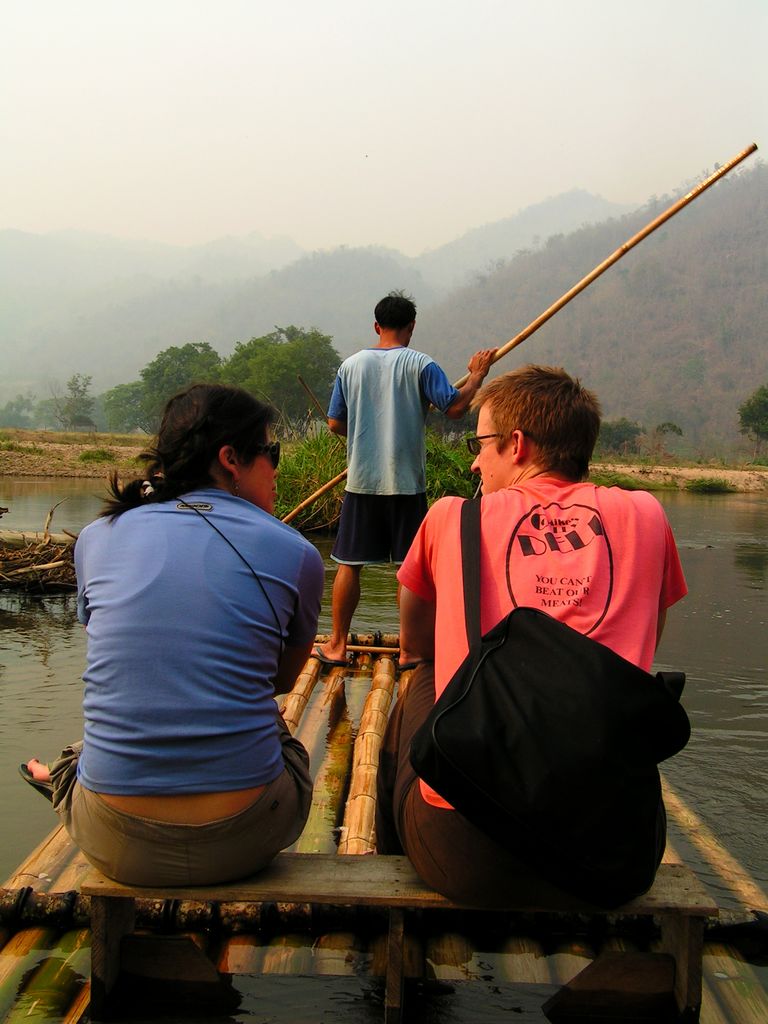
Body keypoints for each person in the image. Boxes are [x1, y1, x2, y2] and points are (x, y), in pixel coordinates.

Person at [376, 364, 688, 905]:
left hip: (469, 858)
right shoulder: (647, 514)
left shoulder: (453, 517)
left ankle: (388, 887)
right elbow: (646, 642)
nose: (474, 460)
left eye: (481, 444)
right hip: (612, 858)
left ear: (516, 444)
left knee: (418, 678)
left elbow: (414, 639)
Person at [20, 384, 324, 886]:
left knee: (91, 740)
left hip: (113, 841)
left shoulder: (97, 537)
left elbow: (124, 657)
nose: (277, 467)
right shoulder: (295, 553)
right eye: (271, 453)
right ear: (230, 459)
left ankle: (60, 774)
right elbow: (283, 681)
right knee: (281, 736)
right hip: (245, 837)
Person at [315, 290, 496, 668]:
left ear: (376, 326)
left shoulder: (350, 366)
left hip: (362, 482)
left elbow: (334, 423)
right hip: (407, 484)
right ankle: (410, 651)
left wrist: (364, 434)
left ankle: (336, 646)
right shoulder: (421, 365)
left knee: (349, 564)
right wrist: (477, 375)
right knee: (409, 569)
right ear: (411, 327)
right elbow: (457, 408)